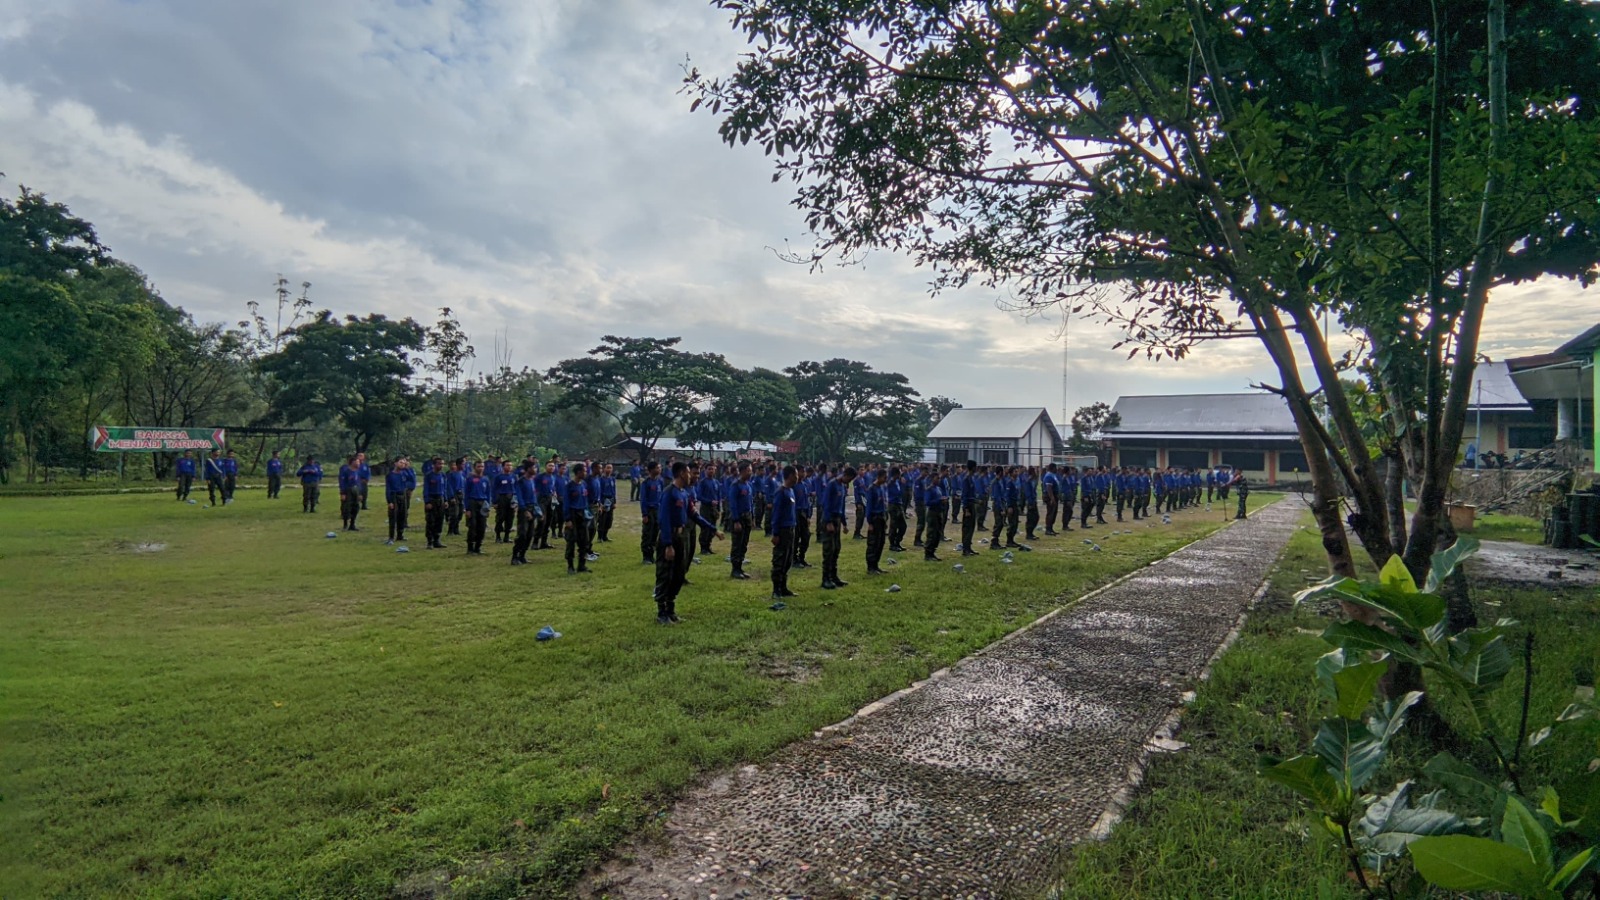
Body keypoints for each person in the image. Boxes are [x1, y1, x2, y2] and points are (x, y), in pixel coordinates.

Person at [654, 461, 722, 624]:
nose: (691, 475)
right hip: (669, 537)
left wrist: (713, 529)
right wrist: (668, 545)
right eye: (688, 472)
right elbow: (663, 520)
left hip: (680, 538)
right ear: (681, 473)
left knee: (678, 574)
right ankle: (661, 613)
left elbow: (694, 515)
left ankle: (670, 610)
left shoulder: (684, 493)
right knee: (666, 574)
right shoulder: (669, 493)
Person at [767, 464, 800, 598]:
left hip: (791, 528)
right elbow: (776, 514)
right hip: (782, 530)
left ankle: (783, 587)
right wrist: (775, 533)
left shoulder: (791, 491)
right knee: (779, 560)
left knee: (788, 559)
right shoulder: (781, 492)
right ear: (790, 476)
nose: (797, 477)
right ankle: (776, 590)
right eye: (796, 475)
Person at [820, 466, 852, 589]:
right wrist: (828, 522)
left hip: (837, 519)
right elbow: (826, 504)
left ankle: (834, 576)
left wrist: (844, 523)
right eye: (849, 479)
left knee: (836, 549)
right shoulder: (832, 484)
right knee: (829, 549)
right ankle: (825, 578)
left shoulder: (843, 487)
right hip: (830, 519)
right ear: (845, 475)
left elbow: (841, 507)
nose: (849, 482)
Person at [562, 462, 594, 574]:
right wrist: (567, 519)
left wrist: (587, 513)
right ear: (578, 472)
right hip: (573, 514)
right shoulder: (569, 486)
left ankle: (582, 565)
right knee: (571, 540)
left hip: (582, 514)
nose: (586, 473)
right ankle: (570, 566)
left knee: (584, 541)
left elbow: (585, 500)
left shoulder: (584, 484)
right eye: (584, 471)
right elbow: (566, 503)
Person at [728, 462, 755, 580]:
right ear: (742, 471)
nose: (750, 473)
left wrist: (752, 518)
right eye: (749, 470)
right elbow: (733, 504)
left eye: (751, 470)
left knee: (744, 544)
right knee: (737, 544)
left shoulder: (748, 486)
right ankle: (735, 569)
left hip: (747, 517)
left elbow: (751, 503)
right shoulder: (736, 485)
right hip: (739, 518)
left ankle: (740, 567)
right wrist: (736, 520)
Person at [511, 461, 542, 564]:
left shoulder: (532, 481)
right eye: (534, 468)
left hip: (533, 508)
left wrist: (538, 511)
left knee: (530, 534)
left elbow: (534, 496)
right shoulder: (521, 481)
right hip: (525, 510)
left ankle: (523, 555)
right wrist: (524, 510)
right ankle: (515, 556)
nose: (535, 470)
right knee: (522, 534)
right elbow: (519, 497)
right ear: (528, 469)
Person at [462, 460, 491, 554]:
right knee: (472, 526)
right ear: (475, 467)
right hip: (472, 502)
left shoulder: (486, 479)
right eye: (479, 466)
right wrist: (467, 509)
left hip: (482, 503)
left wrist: (488, 506)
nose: (480, 468)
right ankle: (470, 548)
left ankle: (478, 547)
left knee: (482, 526)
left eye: (482, 466)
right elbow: (466, 494)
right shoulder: (470, 479)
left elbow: (488, 493)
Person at [864, 467, 889, 574]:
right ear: (879, 477)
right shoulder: (872, 489)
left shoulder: (882, 488)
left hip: (881, 517)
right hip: (874, 518)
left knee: (880, 542)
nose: (886, 479)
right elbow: (869, 507)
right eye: (884, 477)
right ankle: (870, 567)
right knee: (873, 543)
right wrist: (869, 522)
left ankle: (876, 565)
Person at [384, 456, 414, 545]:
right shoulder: (390, 475)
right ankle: (391, 537)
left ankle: (400, 535)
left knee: (402, 515)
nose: (402, 464)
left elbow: (412, 479)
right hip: (394, 496)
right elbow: (388, 489)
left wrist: (408, 468)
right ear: (395, 463)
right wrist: (389, 501)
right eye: (401, 462)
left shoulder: (404, 473)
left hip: (403, 495)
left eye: (404, 463)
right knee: (393, 517)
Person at [640, 460, 663, 564]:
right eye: (657, 468)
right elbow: (643, 499)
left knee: (655, 533)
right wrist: (645, 514)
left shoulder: (660, 481)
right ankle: (646, 556)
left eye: (660, 467)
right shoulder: (646, 483)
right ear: (651, 470)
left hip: (658, 511)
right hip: (649, 510)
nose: (659, 469)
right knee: (647, 534)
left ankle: (652, 555)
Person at [422, 456, 448, 549]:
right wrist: (427, 501)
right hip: (432, 499)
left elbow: (444, 489)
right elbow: (426, 489)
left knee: (439, 520)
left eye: (442, 464)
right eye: (439, 464)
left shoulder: (443, 475)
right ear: (434, 465)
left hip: (440, 499)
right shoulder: (429, 475)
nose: (441, 465)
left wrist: (445, 500)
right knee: (430, 521)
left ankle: (437, 540)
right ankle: (430, 541)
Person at [923, 469, 947, 561]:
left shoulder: (939, 489)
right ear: (932, 479)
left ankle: (933, 552)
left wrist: (943, 500)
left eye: (939, 478)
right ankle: (928, 553)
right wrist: (939, 500)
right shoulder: (929, 489)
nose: (939, 480)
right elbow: (927, 502)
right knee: (931, 534)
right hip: (932, 513)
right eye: (937, 478)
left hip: (939, 512)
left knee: (937, 533)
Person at [958, 460, 981, 556]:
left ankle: (969, 547)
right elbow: (965, 495)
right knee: (967, 528)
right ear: (973, 467)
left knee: (971, 527)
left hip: (972, 504)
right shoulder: (966, 479)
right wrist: (966, 509)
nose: (976, 469)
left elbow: (971, 494)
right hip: (968, 506)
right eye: (975, 467)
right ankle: (965, 549)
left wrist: (976, 501)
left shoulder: (972, 478)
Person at [492, 459, 516, 544]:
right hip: (502, 498)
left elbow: (516, 488)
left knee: (510, 518)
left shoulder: (513, 476)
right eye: (507, 465)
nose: (509, 467)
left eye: (510, 465)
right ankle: (498, 536)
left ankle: (507, 536)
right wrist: (494, 502)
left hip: (511, 498)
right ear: (503, 466)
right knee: (500, 517)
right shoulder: (498, 477)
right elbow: (494, 489)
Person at [338, 455, 363, 531]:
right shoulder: (346, 471)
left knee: (356, 507)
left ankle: (352, 524)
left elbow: (359, 483)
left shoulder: (358, 472)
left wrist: (360, 493)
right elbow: (342, 483)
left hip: (356, 490)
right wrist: (343, 493)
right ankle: (345, 524)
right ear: (352, 462)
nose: (359, 463)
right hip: (348, 491)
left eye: (359, 462)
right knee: (347, 508)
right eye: (357, 461)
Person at [887, 467, 909, 553]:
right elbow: (887, 484)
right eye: (899, 473)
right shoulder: (890, 481)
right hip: (893, 505)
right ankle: (892, 544)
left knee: (903, 525)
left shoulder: (897, 481)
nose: (900, 475)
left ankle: (897, 542)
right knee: (894, 525)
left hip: (899, 504)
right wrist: (893, 479)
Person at [597, 463, 617, 542]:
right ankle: (600, 537)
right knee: (602, 519)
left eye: (611, 468)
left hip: (611, 500)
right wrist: (600, 503)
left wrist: (614, 502)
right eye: (608, 468)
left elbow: (614, 491)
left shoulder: (612, 479)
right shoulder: (601, 479)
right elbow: (599, 491)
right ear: (604, 469)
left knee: (609, 520)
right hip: (604, 500)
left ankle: (605, 536)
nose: (609, 470)